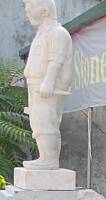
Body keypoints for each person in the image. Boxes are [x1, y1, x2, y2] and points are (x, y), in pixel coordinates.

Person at [23, 0, 72, 170]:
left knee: (46, 121)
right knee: (37, 121)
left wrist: (49, 81)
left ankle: (50, 159)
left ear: (44, 11)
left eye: (30, 8)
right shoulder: (42, 34)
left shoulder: (58, 33)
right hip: (36, 85)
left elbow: (56, 59)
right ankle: (44, 156)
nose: (27, 12)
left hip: (47, 87)